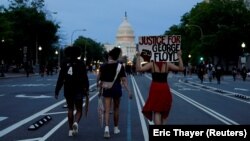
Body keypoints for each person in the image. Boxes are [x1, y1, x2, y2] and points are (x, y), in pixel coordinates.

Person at [136, 50, 184, 125]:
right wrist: (179, 57)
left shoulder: (152, 64)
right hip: (164, 87)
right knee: (164, 112)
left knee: (157, 111)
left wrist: (138, 57)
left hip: (155, 88)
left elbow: (138, 69)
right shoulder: (167, 64)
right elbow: (181, 69)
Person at [96, 47, 132, 139]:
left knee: (107, 110)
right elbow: (124, 80)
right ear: (117, 57)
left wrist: (98, 86)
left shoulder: (103, 66)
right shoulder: (120, 66)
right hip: (116, 88)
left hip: (107, 89)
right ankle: (116, 128)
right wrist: (129, 91)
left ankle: (107, 128)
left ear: (110, 56)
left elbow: (99, 78)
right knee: (116, 109)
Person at [55, 46, 89, 137]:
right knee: (79, 110)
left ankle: (70, 130)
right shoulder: (81, 63)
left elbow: (61, 78)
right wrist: (86, 89)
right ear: (78, 53)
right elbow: (85, 78)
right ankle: (76, 122)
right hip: (78, 88)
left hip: (68, 89)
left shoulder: (64, 63)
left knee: (70, 108)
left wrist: (57, 90)